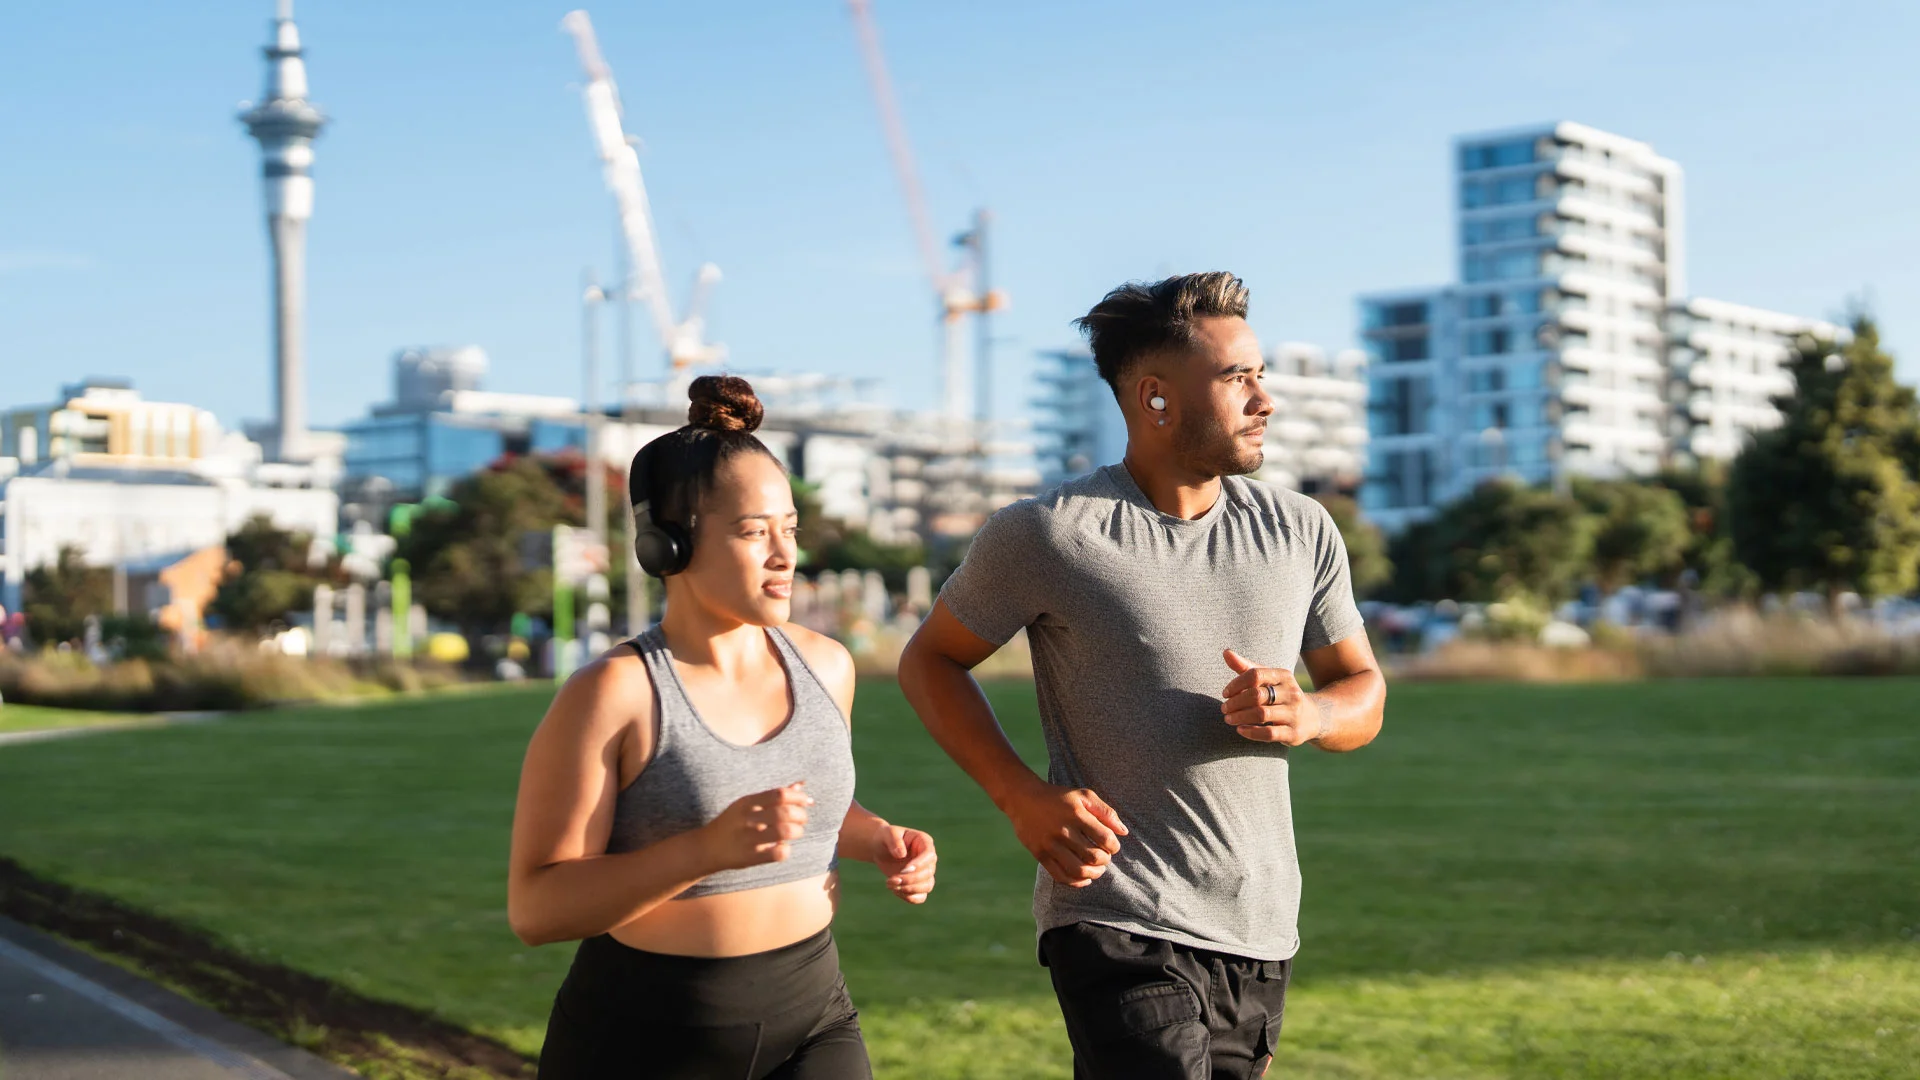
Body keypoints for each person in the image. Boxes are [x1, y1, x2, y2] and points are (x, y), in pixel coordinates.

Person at [898, 272, 1386, 1078]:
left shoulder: (1301, 530)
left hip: (1259, 927)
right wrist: (1019, 795)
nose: (1265, 400)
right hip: (1116, 917)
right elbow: (930, 659)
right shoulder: (1049, 534)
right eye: (1238, 379)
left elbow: (1363, 691)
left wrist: (1312, 714)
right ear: (1155, 398)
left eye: (1261, 375)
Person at [509, 375, 937, 1079]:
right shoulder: (615, 693)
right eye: (751, 532)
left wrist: (877, 837)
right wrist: (705, 851)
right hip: (646, 1037)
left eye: (789, 529)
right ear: (665, 547)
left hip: (814, 1015)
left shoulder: (828, 666)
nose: (783, 555)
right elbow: (537, 906)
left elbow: (805, 808)